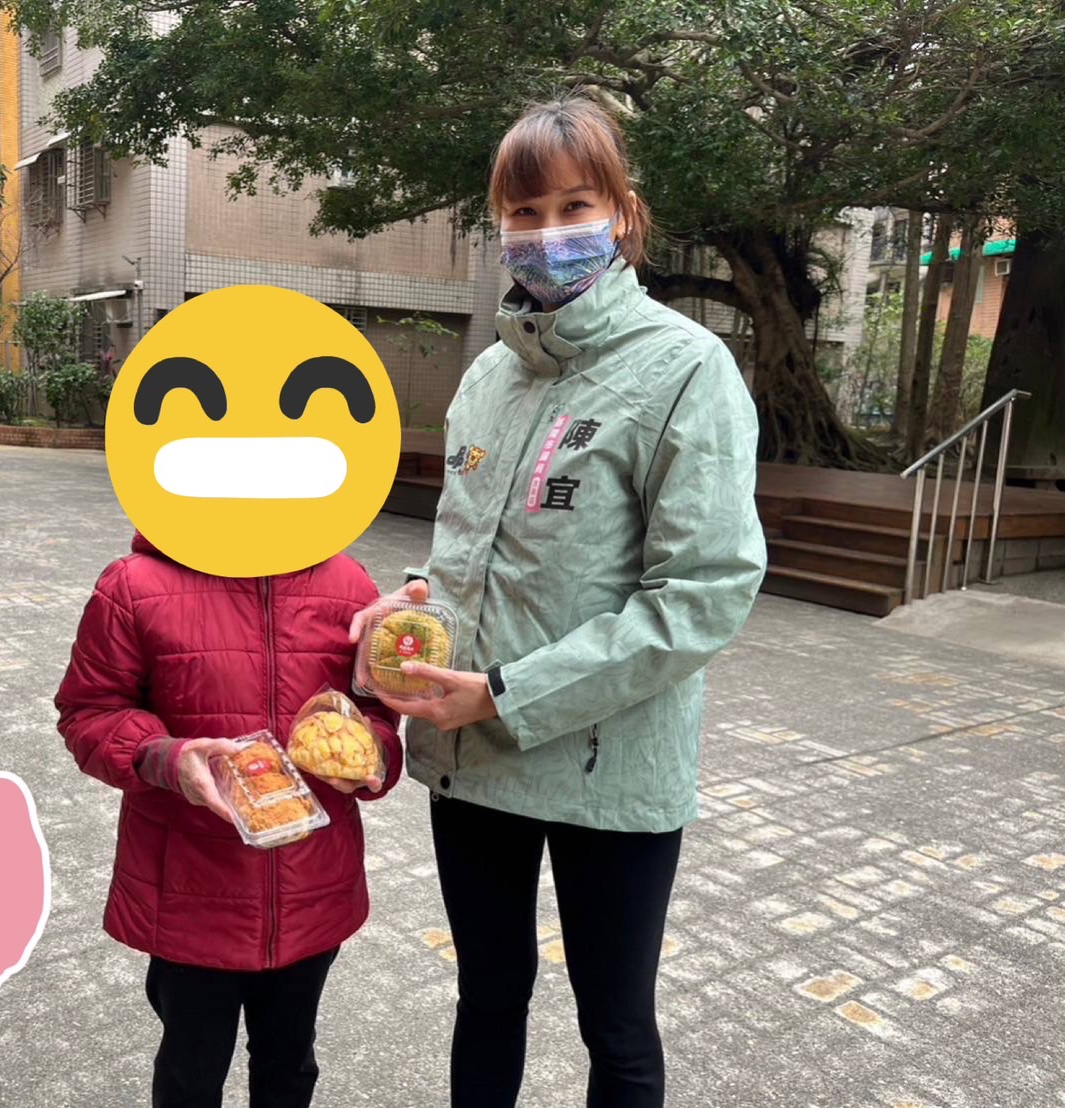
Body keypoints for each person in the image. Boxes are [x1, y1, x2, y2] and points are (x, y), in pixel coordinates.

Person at [350, 93, 767, 1108]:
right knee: (488, 996)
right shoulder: (488, 377)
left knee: (613, 1025)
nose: (548, 232)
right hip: (473, 759)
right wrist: (416, 600)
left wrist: (503, 692)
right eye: (523, 212)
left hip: (609, 765)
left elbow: (704, 592)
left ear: (623, 214)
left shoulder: (686, 368)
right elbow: (471, 550)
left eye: (575, 205)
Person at [54, 531, 403, 1108]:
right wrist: (165, 758)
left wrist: (376, 755)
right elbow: (90, 710)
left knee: (290, 1064)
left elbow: (374, 706)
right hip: (191, 891)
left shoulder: (348, 582)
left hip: (311, 884)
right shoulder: (135, 586)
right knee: (190, 1073)